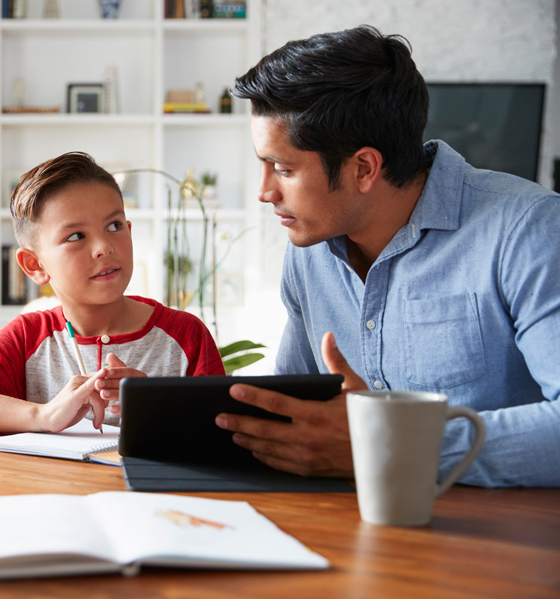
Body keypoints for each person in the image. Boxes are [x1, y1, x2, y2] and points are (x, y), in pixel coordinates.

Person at [215, 25, 560, 487]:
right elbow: (293, 414)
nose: (265, 192)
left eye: (283, 169)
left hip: (494, 540)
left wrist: (388, 447)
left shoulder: (528, 229)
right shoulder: (308, 254)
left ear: (363, 168)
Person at [0, 151, 225, 434]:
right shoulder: (28, 337)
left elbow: (225, 435)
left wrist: (157, 405)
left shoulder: (187, 336)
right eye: (76, 236)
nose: (104, 247)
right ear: (35, 264)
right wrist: (45, 415)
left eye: (114, 225)